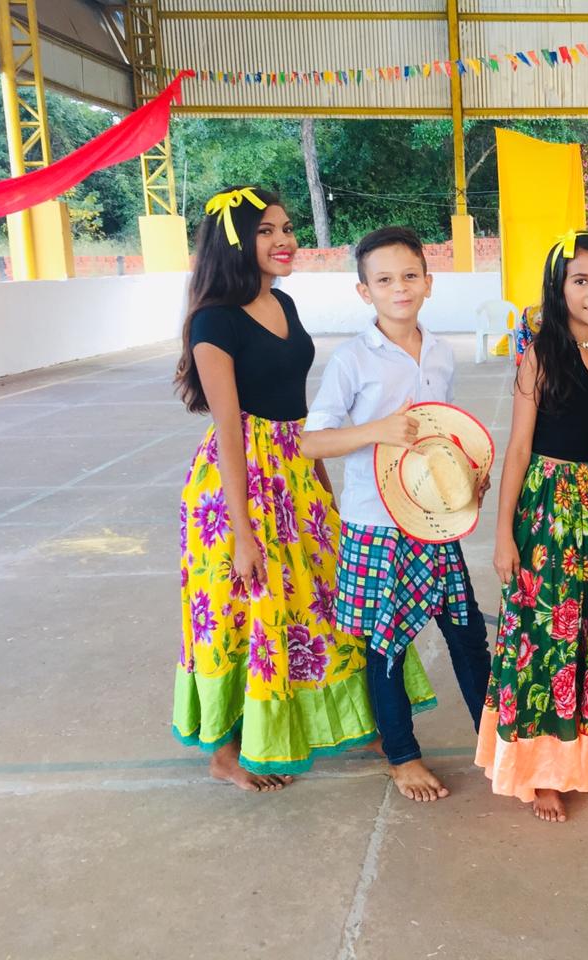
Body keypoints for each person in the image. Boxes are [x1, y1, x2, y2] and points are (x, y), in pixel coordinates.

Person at [172, 186, 376, 791]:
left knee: (314, 598)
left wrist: (320, 484)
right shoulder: (213, 321)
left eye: (286, 228)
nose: (285, 240)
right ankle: (226, 751)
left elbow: (299, 406)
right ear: (235, 242)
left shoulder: (284, 304)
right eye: (266, 231)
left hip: (295, 469)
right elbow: (229, 430)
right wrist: (241, 532)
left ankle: (292, 721)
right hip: (239, 483)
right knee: (247, 607)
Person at [300, 226, 491, 804]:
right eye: (384, 280)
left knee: (467, 631)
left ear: (428, 284)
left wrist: (466, 472)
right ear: (365, 293)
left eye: (410, 276)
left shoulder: (439, 351)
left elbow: (442, 428)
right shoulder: (353, 360)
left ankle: (497, 738)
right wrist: (376, 431)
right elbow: (312, 442)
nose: (399, 288)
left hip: (434, 520)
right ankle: (403, 756)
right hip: (377, 525)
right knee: (387, 645)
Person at [477, 230, 588, 823]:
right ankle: (541, 771)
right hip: (547, 508)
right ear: (558, 287)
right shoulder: (541, 353)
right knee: (548, 637)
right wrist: (503, 535)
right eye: (581, 281)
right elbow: (517, 448)